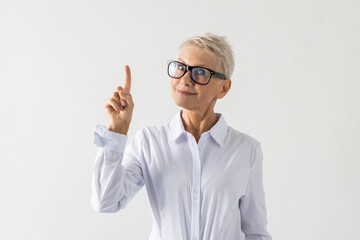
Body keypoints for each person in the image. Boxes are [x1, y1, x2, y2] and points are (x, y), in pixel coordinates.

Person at [91, 32, 272, 240]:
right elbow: (106, 201)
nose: (185, 79)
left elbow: (256, 232)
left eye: (201, 72)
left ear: (224, 88)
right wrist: (117, 131)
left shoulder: (246, 150)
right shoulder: (149, 142)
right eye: (180, 67)